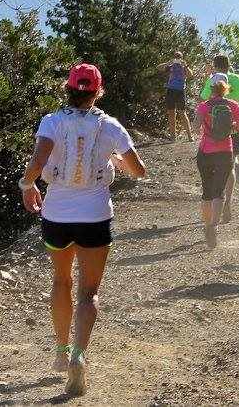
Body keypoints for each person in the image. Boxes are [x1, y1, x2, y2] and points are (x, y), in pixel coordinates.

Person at [20, 63, 147, 397]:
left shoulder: (52, 121)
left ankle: (60, 352)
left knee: (60, 280)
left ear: (69, 88)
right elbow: (139, 170)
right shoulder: (111, 127)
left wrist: (27, 184)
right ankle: (79, 355)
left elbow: (37, 160)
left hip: (57, 215)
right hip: (95, 216)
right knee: (89, 293)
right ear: (97, 91)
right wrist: (116, 162)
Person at [199, 55, 239, 222]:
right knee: (230, 166)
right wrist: (237, 120)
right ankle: (227, 204)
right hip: (232, 132)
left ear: (215, 66)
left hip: (210, 136)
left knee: (216, 170)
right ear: (229, 65)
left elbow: (203, 101)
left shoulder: (212, 80)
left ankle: (214, 208)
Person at [196, 72, 239, 249]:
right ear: (226, 88)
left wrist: (207, 126)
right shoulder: (233, 105)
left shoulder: (203, 106)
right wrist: (230, 125)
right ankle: (213, 226)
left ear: (211, 88)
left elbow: (196, 127)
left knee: (206, 191)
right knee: (219, 191)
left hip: (205, 151)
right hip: (225, 151)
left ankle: (206, 224)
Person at [157, 51, 193, 142]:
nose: (177, 58)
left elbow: (190, 75)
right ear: (173, 57)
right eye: (176, 57)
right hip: (171, 90)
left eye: (179, 57)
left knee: (182, 113)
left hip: (180, 91)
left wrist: (185, 66)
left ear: (182, 58)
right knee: (171, 113)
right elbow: (158, 68)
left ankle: (190, 136)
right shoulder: (171, 66)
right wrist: (168, 63)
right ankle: (173, 137)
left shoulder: (184, 67)